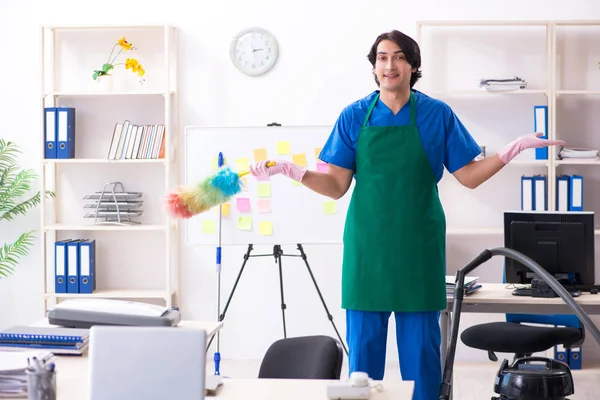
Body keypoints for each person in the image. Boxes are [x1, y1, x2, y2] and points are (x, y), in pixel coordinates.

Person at [249, 30, 564, 400]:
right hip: (368, 250)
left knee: (422, 359)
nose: (389, 65)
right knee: (363, 364)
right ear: (374, 67)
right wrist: (294, 171)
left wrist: (509, 151)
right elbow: (336, 186)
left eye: (398, 57)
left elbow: (469, 176)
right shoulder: (353, 116)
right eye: (381, 58)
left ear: (413, 65)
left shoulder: (437, 114)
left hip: (419, 247)